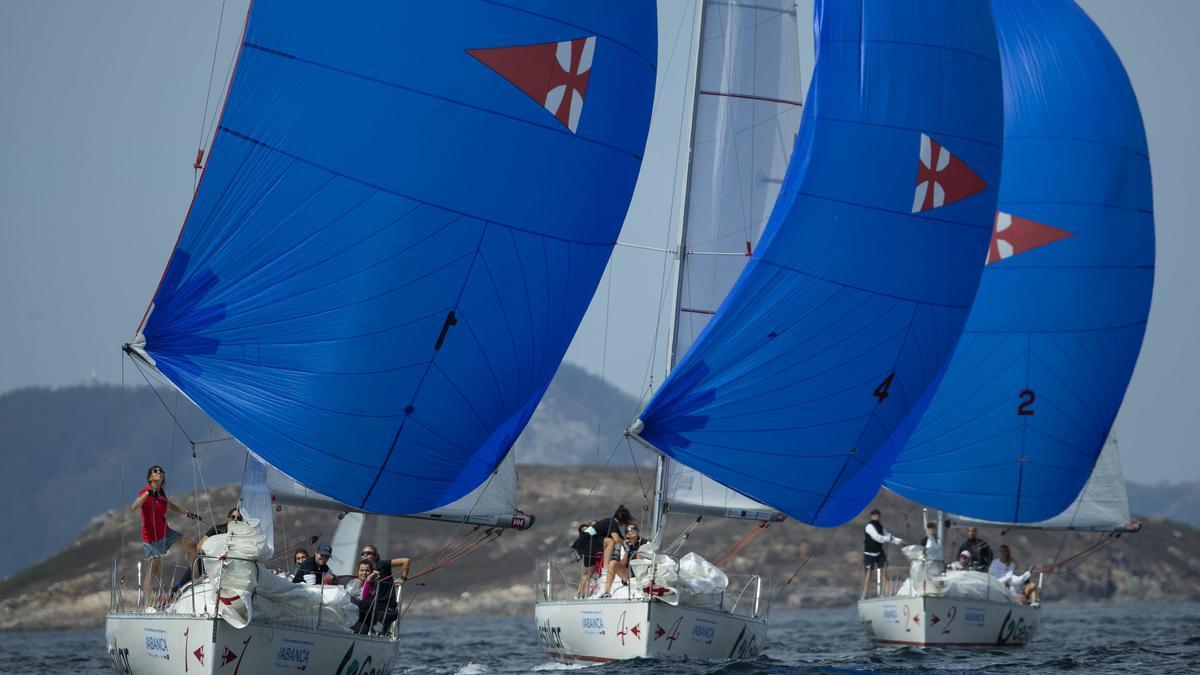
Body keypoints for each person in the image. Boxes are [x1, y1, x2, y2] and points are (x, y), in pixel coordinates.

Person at [131, 465, 199, 609]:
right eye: (155, 471)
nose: (159, 472)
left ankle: (195, 579)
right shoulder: (145, 492)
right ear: (150, 477)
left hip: (166, 533)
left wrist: (187, 513)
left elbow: (169, 506)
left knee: (193, 546)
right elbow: (134, 507)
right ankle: (148, 604)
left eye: (161, 471)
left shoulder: (161, 495)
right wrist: (148, 494)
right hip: (151, 538)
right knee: (153, 570)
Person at [173, 507, 242, 594]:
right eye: (233, 517)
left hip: (228, 565)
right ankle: (175, 589)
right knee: (196, 558)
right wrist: (213, 546)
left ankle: (176, 588)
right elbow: (199, 546)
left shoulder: (242, 535)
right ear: (228, 518)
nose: (235, 520)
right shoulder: (216, 529)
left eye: (238, 519)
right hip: (210, 561)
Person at [574, 505, 635, 598]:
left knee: (589, 571)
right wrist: (625, 544)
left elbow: (620, 537)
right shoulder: (612, 522)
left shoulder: (610, 523)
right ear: (622, 518)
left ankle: (578, 594)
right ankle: (606, 569)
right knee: (610, 541)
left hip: (583, 543)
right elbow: (616, 538)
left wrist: (625, 541)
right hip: (587, 541)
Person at [360, 545, 411, 635]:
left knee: (386, 617)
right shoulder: (365, 570)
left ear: (375, 556)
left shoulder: (383, 564)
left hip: (387, 604)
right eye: (363, 553)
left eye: (369, 553)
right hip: (373, 603)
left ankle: (384, 632)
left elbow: (406, 561)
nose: (365, 555)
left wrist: (403, 578)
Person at [862, 509, 902, 597]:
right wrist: (889, 539)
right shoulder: (869, 526)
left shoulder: (880, 526)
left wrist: (897, 541)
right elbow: (878, 538)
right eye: (874, 515)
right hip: (869, 554)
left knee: (884, 573)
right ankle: (865, 594)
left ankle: (888, 593)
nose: (876, 517)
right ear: (871, 516)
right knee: (869, 575)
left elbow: (887, 535)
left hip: (879, 552)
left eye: (877, 515)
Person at [601, 523, 647, 597]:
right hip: (629, 574)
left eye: (634, 528)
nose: (633, 530)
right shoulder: (625, 545)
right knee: (612, 563)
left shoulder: (646, 543)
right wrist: (627, 551)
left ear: (637, 532)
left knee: (639, 555)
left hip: (643, 573)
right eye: (629, 529)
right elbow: (623, 564)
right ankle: (606, 592)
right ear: (627, 535)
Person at [344, 559, 379, 634]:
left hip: (362, 616)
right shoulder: (351, 582)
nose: (364, 573)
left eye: (367, 570)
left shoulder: (373, 586)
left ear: (371, 572)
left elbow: (363, 598)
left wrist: (369, 580)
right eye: (362, 570)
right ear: (358, 571)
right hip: (348, 614)